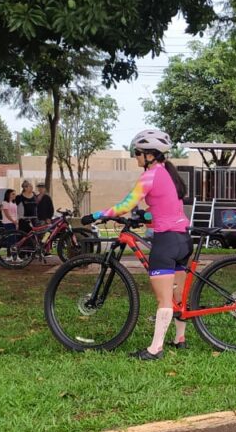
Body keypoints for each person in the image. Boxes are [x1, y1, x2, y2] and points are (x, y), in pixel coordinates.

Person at [82, 129, 191, 360]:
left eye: (137, 153)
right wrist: (145, 217)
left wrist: (98, 214)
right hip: (183, 238)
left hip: (167, 240)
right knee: (176, 296)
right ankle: (180, 338)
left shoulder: (149, 176)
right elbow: (166, 207)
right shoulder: (170, 175)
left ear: (150, 154)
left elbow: (125, 204)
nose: (136, 157)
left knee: (163, 299)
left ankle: (155, 349)